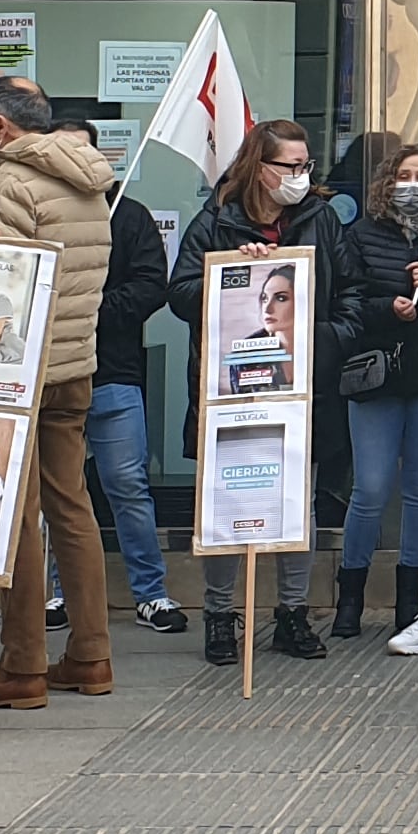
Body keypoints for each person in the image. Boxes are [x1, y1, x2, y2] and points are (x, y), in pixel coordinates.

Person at [0, 79, 117, 709]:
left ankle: (22, 663)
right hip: (76, 362)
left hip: (19, 368)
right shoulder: (89, 178)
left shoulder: (12, 181)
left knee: (15, 513)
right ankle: (91, 654)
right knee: (72, 508)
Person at [168, 117, 343, 662]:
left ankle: (293, 613)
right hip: (232, 388)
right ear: (257, 168)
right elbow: (179, 294)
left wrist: (323, 339)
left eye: (305, 165)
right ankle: (221, 616)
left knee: (297, 501)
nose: (299, 175)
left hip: (301, 389)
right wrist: (228, 279)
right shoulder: (217, 221)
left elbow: (352, 293)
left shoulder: (321, 219)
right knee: (227, 499)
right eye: (288, 166)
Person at [333, 138, 418, 642]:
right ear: (387, 182)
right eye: (404, 176)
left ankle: (411, 597)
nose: (413, 186)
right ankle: (351, 595)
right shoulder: (362, 233)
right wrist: (391, 307)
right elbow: (348, 297)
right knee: (371, 488)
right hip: (377, 378)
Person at [87, 158, 184, 641]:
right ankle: (60, 593)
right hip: (47, 376)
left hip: (114, 373)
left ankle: (151, 593)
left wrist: (94, 311)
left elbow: (152, 286)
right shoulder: (36, 210)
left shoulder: (128, 216)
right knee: (59, 493)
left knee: (127, 485)